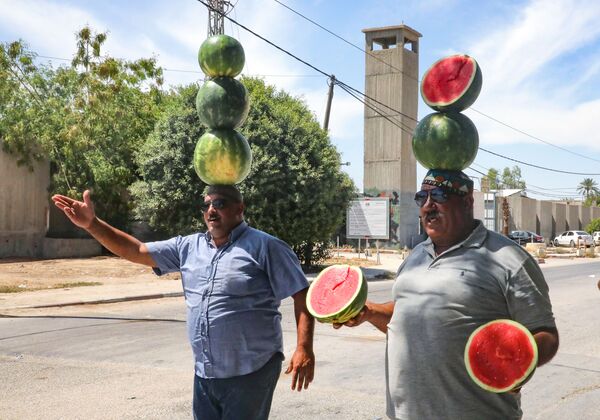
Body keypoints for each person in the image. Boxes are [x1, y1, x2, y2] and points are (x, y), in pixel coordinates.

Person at [52, 185, 315, 420]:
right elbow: (136, 250)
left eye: (220, 203)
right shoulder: (188, 247)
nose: (211, 210)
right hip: (205, 373)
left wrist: (304, 347)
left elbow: (301, 293)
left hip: (251, 371)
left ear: (240, 208)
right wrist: (92, 224)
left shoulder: (265, 246)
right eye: (206, 205)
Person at [334, 169, 559, 420]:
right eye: (422, 197)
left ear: (467, 202)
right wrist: (370, 312)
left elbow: (546, 334)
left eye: (439, 196)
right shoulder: (416, 255)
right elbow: (407, 315)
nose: (428, 205)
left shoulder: (508, 258)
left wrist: (518, 363)